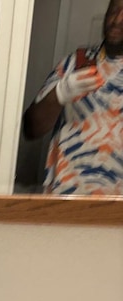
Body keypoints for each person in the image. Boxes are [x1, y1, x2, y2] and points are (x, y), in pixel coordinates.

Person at [23, 0, 123, 195]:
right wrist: (60, 94)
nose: (117, 20)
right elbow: (31, 129)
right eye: (114, 10)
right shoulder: (72, 64)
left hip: (115, 212)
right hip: (64, 201)